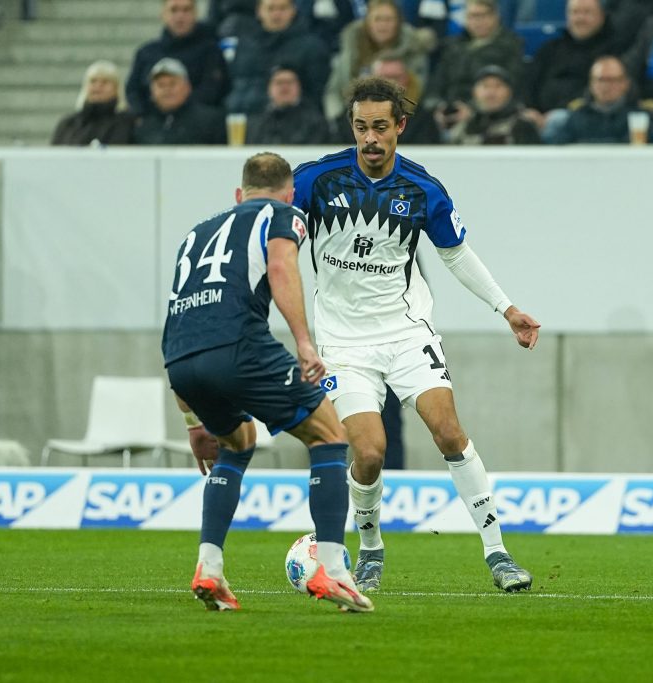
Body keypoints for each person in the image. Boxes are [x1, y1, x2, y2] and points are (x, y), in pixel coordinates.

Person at [293, 77, 541, 593]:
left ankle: (497, 552)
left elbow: (456, 255)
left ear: (400, 126)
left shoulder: (422, 188)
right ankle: (371, 549)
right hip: (343, 344)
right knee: (369, 453)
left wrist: (506, 308)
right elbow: (276, 237)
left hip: (406, 332)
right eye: (361, 127)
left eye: (380, 127)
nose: (370, 138)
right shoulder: (315, 180)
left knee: (448, 432)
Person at [162, 152, 373, 613]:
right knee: (330, 435)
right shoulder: (282, 214)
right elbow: (280, 267)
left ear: (239, 194)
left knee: (237, 444)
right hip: (240, 347)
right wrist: (304, 342)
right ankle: (333, 569)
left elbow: (181, 318)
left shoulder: (195, 234)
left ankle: (209, 566)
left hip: (181, 361)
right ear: (290, 193)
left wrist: (194, 424)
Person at [322, 0, 436, 121]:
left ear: (398, 23)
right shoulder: (352, 49)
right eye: (377, 19)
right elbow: (334, 92)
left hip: (404, 120)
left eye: (388, 20)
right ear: (367, 23)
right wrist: (338, 120)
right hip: (352, 120)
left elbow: (421, 92)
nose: (382, 25)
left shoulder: (414, 49)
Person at [523, 0, 618, 142]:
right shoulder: (550, 49)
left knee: (558, 122)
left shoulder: (613, 51)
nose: (580, 18)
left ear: (602, 16)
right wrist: (531, 110)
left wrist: (560, 112)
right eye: (575, 12)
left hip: (584, 119)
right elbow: (528, 84)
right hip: (540, 118)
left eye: (587, 12)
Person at [423, 0, 524, 130]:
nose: (478, 21)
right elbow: (436, 84)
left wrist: (472, 109)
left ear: (496, 17)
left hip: (488, 116)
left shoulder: (510, 46)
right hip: (447, 114)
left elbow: (510, 89)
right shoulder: (453, 47)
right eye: (472, 16)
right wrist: (438, 107)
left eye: (483, 15)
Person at [225, 0, 331, 115]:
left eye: (282, 8)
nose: (276, 14)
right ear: (259, 11)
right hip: (236, 114)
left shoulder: (312, 48)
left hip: (286, 118)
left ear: (293, 11)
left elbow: (316, 94)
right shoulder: (244, 44)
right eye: (270, 9)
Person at [125, 0, 230, 114]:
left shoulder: (211, 52)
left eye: (186, 10)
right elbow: (133, 91)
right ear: (163, 14)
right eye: (174, 10)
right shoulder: (146, 53)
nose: (180, 17)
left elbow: (212, 91)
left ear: (195, 14)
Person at [555, 55, 653, 144]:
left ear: (625, 83)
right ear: (591, 84)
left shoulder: (640, 117)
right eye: (600, 80)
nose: (605, 86)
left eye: (612, 80)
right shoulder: (576, 117)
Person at [134, 58, 226, 145]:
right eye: (161, 85)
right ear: (152, 91)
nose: (167, 89)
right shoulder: (143, 126)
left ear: (187, 87)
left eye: (172, 83)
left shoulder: (211, 122)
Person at [447, 65, 540, 145]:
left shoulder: (522, 126)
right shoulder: (463, 126)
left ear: (509, 92)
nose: (491, 93)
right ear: (474, 91)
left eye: (498, 86)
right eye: (485, 86)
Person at [51, 60, 135, 146]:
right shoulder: (68, 124)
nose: (98, 86)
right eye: (93, 81)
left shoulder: (127, 124)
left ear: (117, 89)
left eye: (105, 82)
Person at [245, 65, 329, 144]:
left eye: (289, 82)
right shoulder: (254, 123)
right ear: (269, 88)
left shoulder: (315, 122)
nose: (284, 87)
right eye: (279, 82)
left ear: (299, 87)